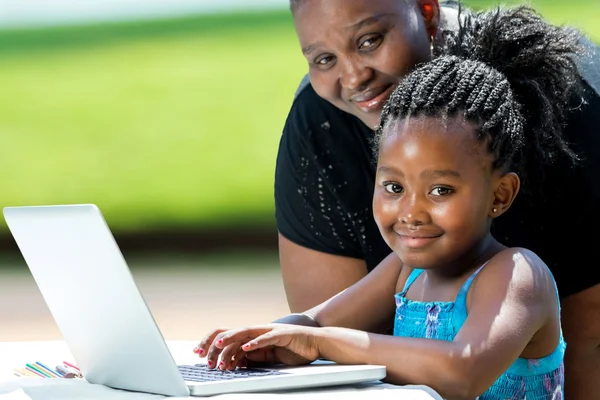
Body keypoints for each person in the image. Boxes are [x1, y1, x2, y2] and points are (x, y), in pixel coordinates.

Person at [193, 7, 579, 398]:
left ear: (500, 195)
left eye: (440, 190)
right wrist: (259, 341)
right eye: (394, 188)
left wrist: (321, 343)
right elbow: (313, 322)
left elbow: (462, 372)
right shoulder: (404, 271)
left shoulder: (517, 277)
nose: (411, 212)